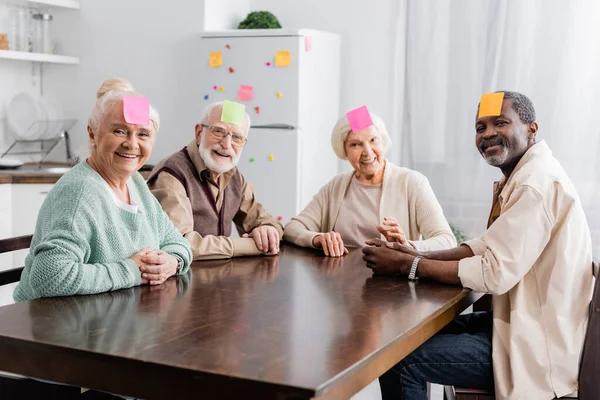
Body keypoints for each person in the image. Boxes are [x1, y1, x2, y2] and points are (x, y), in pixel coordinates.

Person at [363, 91, 594, 399]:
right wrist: (418, 253)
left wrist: (410, 265)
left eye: (500, 122)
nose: (488, 134)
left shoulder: (532, 184)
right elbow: (488, 244)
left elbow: (494, 274)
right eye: (480, 127)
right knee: (404, 336)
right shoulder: (526, 175)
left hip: (536, 345)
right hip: (520, 323)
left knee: (398, 360)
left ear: (531, 129)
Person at [13, 78, 192, 302]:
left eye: (143, 134)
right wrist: (132, 270)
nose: (132, 144)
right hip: (57, 326)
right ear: (92, 135)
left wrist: (171, 262)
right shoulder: (79, 192)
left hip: (114, 317)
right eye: (119, 131)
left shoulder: (135, 182)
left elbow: (177, 242)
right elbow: (49, 275)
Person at [284, 110, 456, 257]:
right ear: (344, 151)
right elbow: (292, 228)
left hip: (393, 287)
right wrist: (317, 239)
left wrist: (408, 247)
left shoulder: (412, 183)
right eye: (355, 144)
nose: (367, 152)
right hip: (340, 286)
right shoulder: (336, 186)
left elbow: (446, 240)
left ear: (383, 141)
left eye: (373, 140)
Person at [147, 101, 283, 260]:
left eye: (237, 138)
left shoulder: (233, 174)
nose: (226, 145)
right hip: (182, 279)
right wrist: (250, 246)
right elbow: (179, 244)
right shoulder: (171, 172)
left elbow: (271, 224)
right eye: (218, 131)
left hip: (221, 278)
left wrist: (267, 231)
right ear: (199, 133)